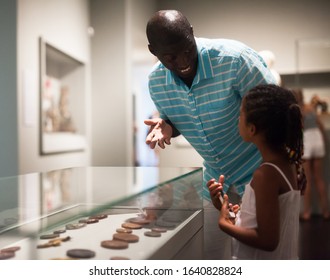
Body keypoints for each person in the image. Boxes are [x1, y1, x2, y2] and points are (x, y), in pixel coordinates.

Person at [144, 9, 276, 259]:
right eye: (170, 57)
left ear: (192, 33)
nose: (183, 62)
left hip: (260, 172)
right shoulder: (156, 82)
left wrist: (293, 164)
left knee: (260, 258)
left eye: (187, 50)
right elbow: (179, 120)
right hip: (216, 181)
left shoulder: (235, 60)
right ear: (154, 52)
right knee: (211, 254)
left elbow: (279, 110)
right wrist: (166, 126)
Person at [208, 84, 304, 259]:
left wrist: (224, 223)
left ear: (252, 129)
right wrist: (236, 215)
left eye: (240, 115)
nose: (238, 119)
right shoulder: (287, 163)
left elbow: (268, 240)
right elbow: (272, 219)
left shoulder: (266, 174)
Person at [293, 89, 330, 221]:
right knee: (319, 179)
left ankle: (307, 212)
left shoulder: (298, 112)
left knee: (307, 179)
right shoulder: (310, 108)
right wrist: (324, 143)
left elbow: (298, 131)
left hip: (307, 140)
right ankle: (325, 211)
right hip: (318, 139)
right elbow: (320, 126)